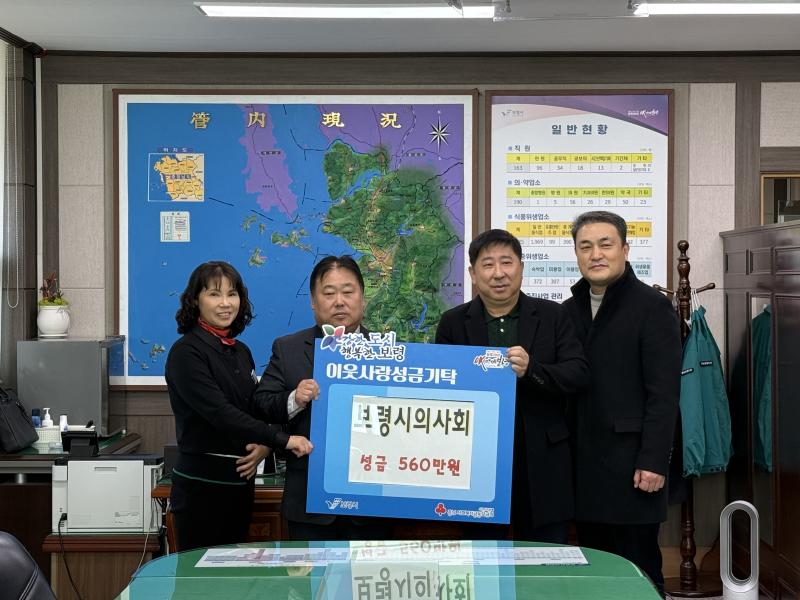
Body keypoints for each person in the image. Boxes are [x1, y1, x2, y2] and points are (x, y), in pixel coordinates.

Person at [435, 229, 589, 543]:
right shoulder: (453, 323)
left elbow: (578, 373)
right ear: (473, 274)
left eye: (507, 262)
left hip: (543, 461)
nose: (498, 273)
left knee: (546, 557)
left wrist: (533, 370)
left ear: (521, 267)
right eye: (488, 264)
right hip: (477, 462)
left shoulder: (553, 315)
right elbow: (442, 391)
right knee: (482, 556)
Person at [562, 211, 681, 596]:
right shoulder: (568, 309)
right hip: (584, 467)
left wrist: (653, 460)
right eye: (585, 246)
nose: (595, 254)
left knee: (638, 571)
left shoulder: (652, 307)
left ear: (625, 250)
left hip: (633, 467)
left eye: (605, 244)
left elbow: (664, 394)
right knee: (595, 571)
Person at [165, 261, 313, 551]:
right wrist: (284, 439)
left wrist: (291, 405)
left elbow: (256, 405)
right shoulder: (186, 353)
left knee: (233, 573)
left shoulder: (240, 351)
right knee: (200, 576)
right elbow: (222, 414)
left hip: (240, 486)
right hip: (201, 489)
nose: (225, 303)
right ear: (195, 300)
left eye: (232, 294)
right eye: (214, 294)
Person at [254, 255, 391, 541]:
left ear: (363, 298)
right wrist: (295, 398)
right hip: (309, 504)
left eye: (348, 292)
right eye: (329, 293)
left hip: (372, 503)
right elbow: (262, 404)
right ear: (313, 302)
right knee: (311, 573)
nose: (339, 301)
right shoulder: (289, 348)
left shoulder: (389, 353)